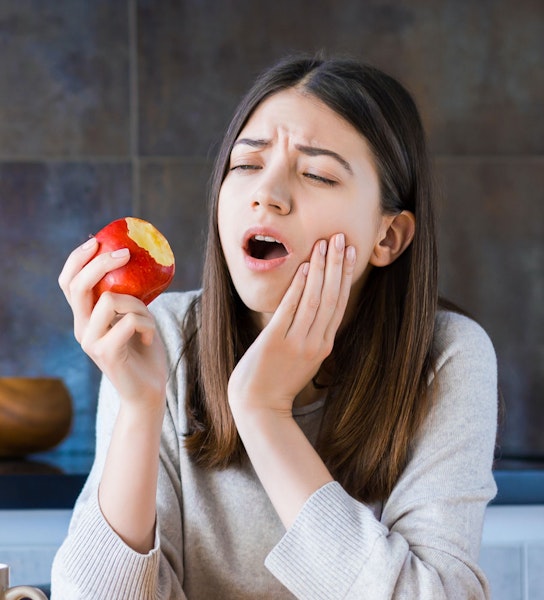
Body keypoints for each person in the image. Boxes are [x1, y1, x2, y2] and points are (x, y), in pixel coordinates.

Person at [52, 54, 498, 599]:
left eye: (316, 173)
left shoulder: (447, 357)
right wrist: (140, 408)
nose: (267, 193)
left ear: (388, 237)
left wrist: (264, 413)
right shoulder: (159, 337)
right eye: (246, 165)